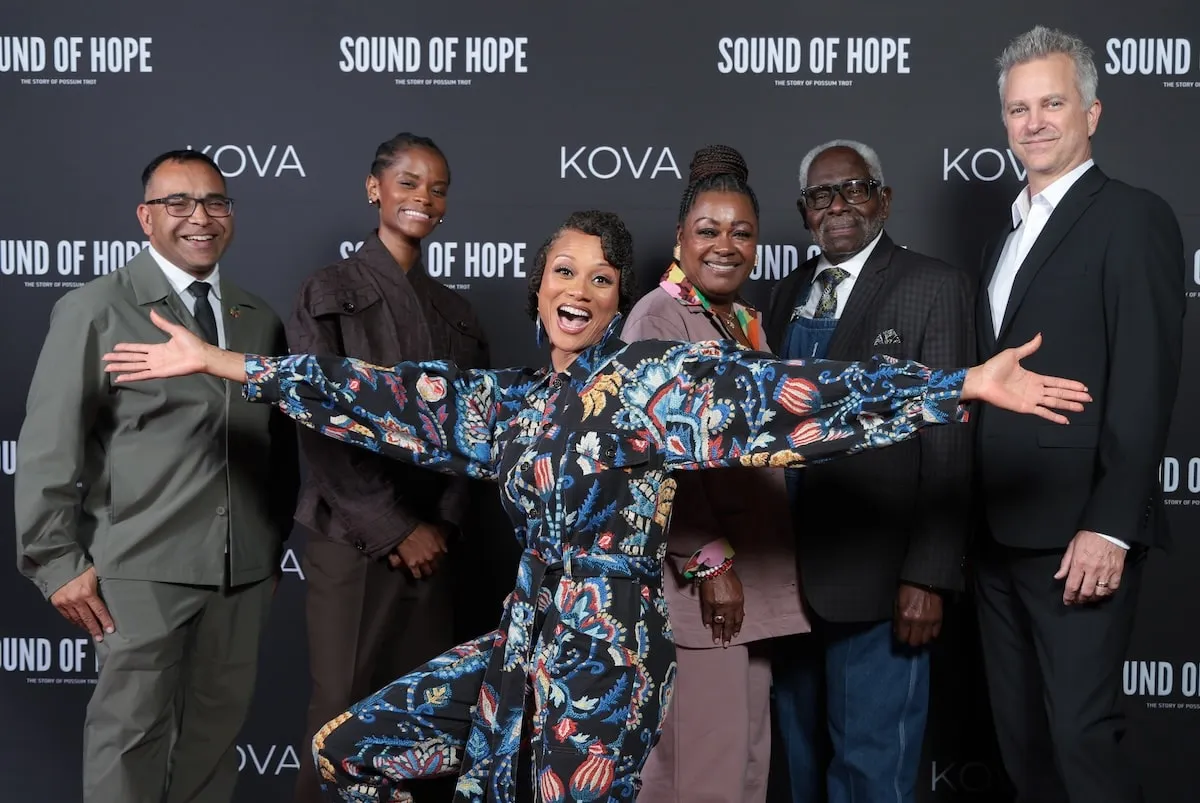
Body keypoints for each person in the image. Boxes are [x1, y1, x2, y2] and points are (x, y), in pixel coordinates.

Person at [100, 210, 1090, 803]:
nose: (579, 288)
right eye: (563, 270)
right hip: (522, 647)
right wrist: (219, 360)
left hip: (606, 665)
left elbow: (790, 401)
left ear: (620, 301)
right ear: (539, 287)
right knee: (346, 751)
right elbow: (372, 394)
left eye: (601, 277)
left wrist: (957, 385)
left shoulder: (655, 384)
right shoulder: (511, 402)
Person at [14, 149, 299, 803]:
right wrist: (55, 560)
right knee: (129, 740)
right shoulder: (96, 308)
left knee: (213, 742)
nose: (200, 217)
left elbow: (281, 450)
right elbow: (48, 448)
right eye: (179, 203)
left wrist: (268, 548)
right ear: (146, 217)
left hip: (242, 573)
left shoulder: (258, 318)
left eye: (215, 202)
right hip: (140, 568)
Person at [971, 26, 1184, 803]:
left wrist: (1112, 524)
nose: (1034, 122)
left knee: (1079, 741)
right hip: (995, 531)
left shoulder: (1132, 217)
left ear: (1092, 112)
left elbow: (1145, 378)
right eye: (1018, 108)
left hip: (1076, 535)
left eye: (1052, 102)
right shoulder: (1008, 234)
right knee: (1023, 744)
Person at [765, 139, 975, 803]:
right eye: (822, 196)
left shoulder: (933, 287)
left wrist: (928, 574)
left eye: (854, 189)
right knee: (799, 768)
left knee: (873, 774)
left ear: (883, 198)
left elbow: (947, 435)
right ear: (804, 213)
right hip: (786, 577)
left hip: (880, 582)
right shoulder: (784, 292)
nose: (838, 206)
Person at [288, 132, 489, 803]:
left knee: (424, 719)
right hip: (352, 536)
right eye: (408, 182)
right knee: (342, 710)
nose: (423, 198)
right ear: (375, 188)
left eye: (437, 188)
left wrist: (441, 526)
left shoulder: (457, 314)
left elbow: (476, 431)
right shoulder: (328, 291)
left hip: (436, 545)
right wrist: (397, 527)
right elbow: (319, 423)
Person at [621, 145, 809, 803]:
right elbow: (650, 458)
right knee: (699, 779)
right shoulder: (658, 316)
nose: (726, 244)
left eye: (742, 231)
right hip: (702, 591)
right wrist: (711, 566)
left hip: (751, 589)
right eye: (708, 229)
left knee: (744, 774)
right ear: (680, 238)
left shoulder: (744, 322)